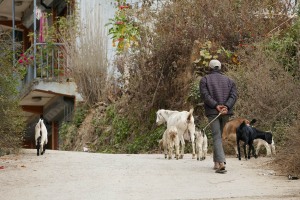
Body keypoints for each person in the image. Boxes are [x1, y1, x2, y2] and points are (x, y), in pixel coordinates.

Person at [199, 59, 237, 173]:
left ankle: (220, 163)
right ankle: (216, 162)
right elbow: (233, 96)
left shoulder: (204, 80)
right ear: (220, 68)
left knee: (216, 136)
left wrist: (216, 106)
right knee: (219, 136)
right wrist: (226, 106)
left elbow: (205, 96)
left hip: (213, 112)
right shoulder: (230, 80)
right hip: (226, 112)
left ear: (210, 68)